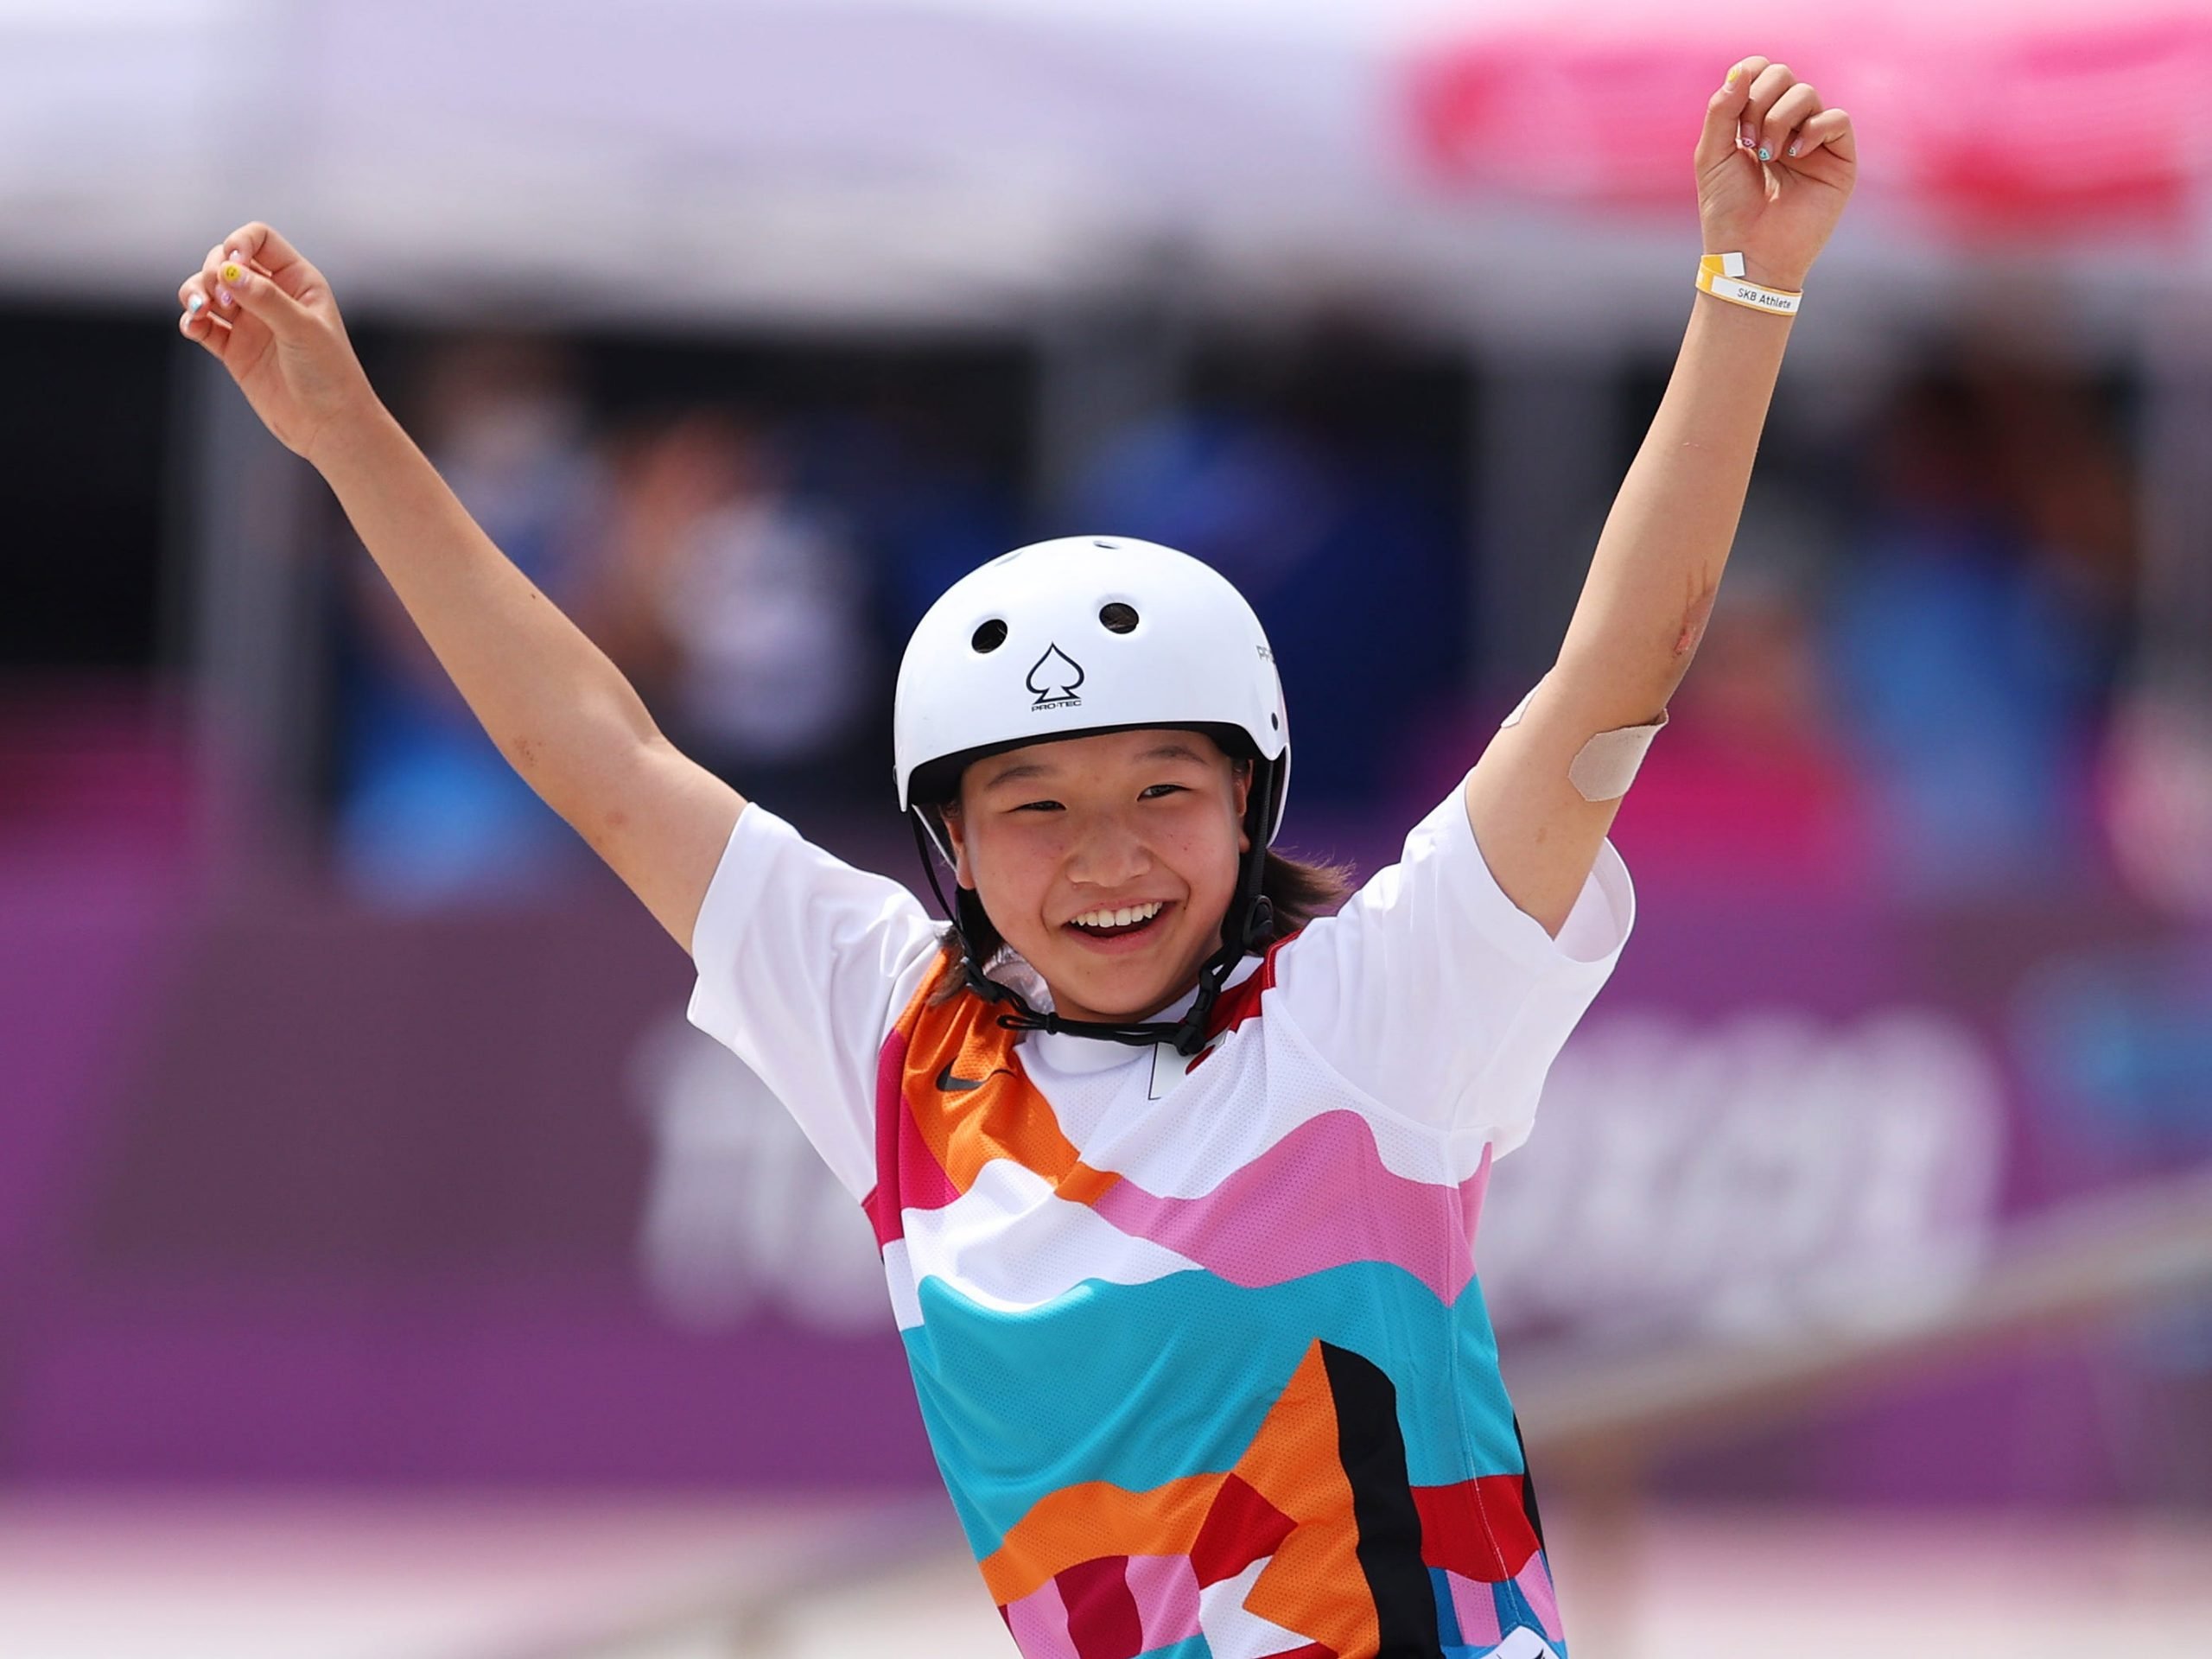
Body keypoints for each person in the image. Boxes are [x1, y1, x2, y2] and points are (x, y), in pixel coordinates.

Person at [174, 54, 1853, 1659]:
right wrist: (344, 434)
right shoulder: (894, 1035)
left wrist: (1745, 286)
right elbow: (593, 755)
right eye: (1033, 806)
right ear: (950, 849)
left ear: (1254, 805)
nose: (1104, 857)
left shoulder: (1381, 1007)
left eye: (1159, 793)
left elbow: (1611, 678)